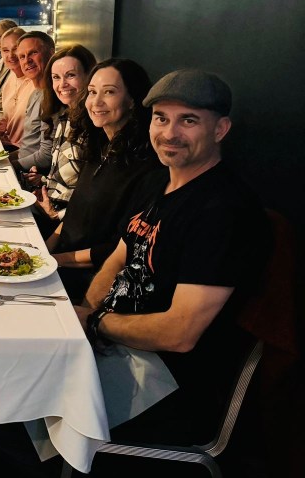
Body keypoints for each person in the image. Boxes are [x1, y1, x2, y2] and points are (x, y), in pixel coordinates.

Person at [77, 68, 266, 444]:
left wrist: (95, 322)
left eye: (188, 120)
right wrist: (85, 310)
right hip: (115, 344)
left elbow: (179, 334)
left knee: (12, 415)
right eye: (161, 118)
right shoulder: (161, 181)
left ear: (220, 129)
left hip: (165, 381)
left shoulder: (223, 211)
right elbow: (118, 257)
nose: (169, 133)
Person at [47, 59, 159, 298]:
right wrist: (43, 249)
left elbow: (118, 248)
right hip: (61, 260)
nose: (96, 102)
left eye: (109, 92)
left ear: (132, 100)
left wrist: (54, 260)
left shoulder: (146, 166)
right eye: (92, 92)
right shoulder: (100, 146)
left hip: (91, 279)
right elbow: (75, 213)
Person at [25, 44, 97, 214]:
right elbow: (68, 181)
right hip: (48, 205)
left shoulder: (95, 126)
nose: (62, 84)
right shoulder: (64, 118)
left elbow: (94, 196)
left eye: (71, 75)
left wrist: (55, 214)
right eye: (56, 77)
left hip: (64, 218)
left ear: (90, 77)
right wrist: (43, 181)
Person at [13, 31, 56, 168]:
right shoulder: (36, 93)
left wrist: (10, 167)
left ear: (51, 54)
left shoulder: (53, 98)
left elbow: (46, 157)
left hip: (33, 173)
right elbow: (27, 147)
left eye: (33, 53)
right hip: (23, 164)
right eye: (22, 57)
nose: (27, 60)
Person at [0, 26, 33, 148]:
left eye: (15, 49)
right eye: (5, 50)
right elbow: (8, 117)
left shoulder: (36, 82)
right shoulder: (11, 76)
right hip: (5, 143)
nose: (11, 55)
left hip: (21, 150)